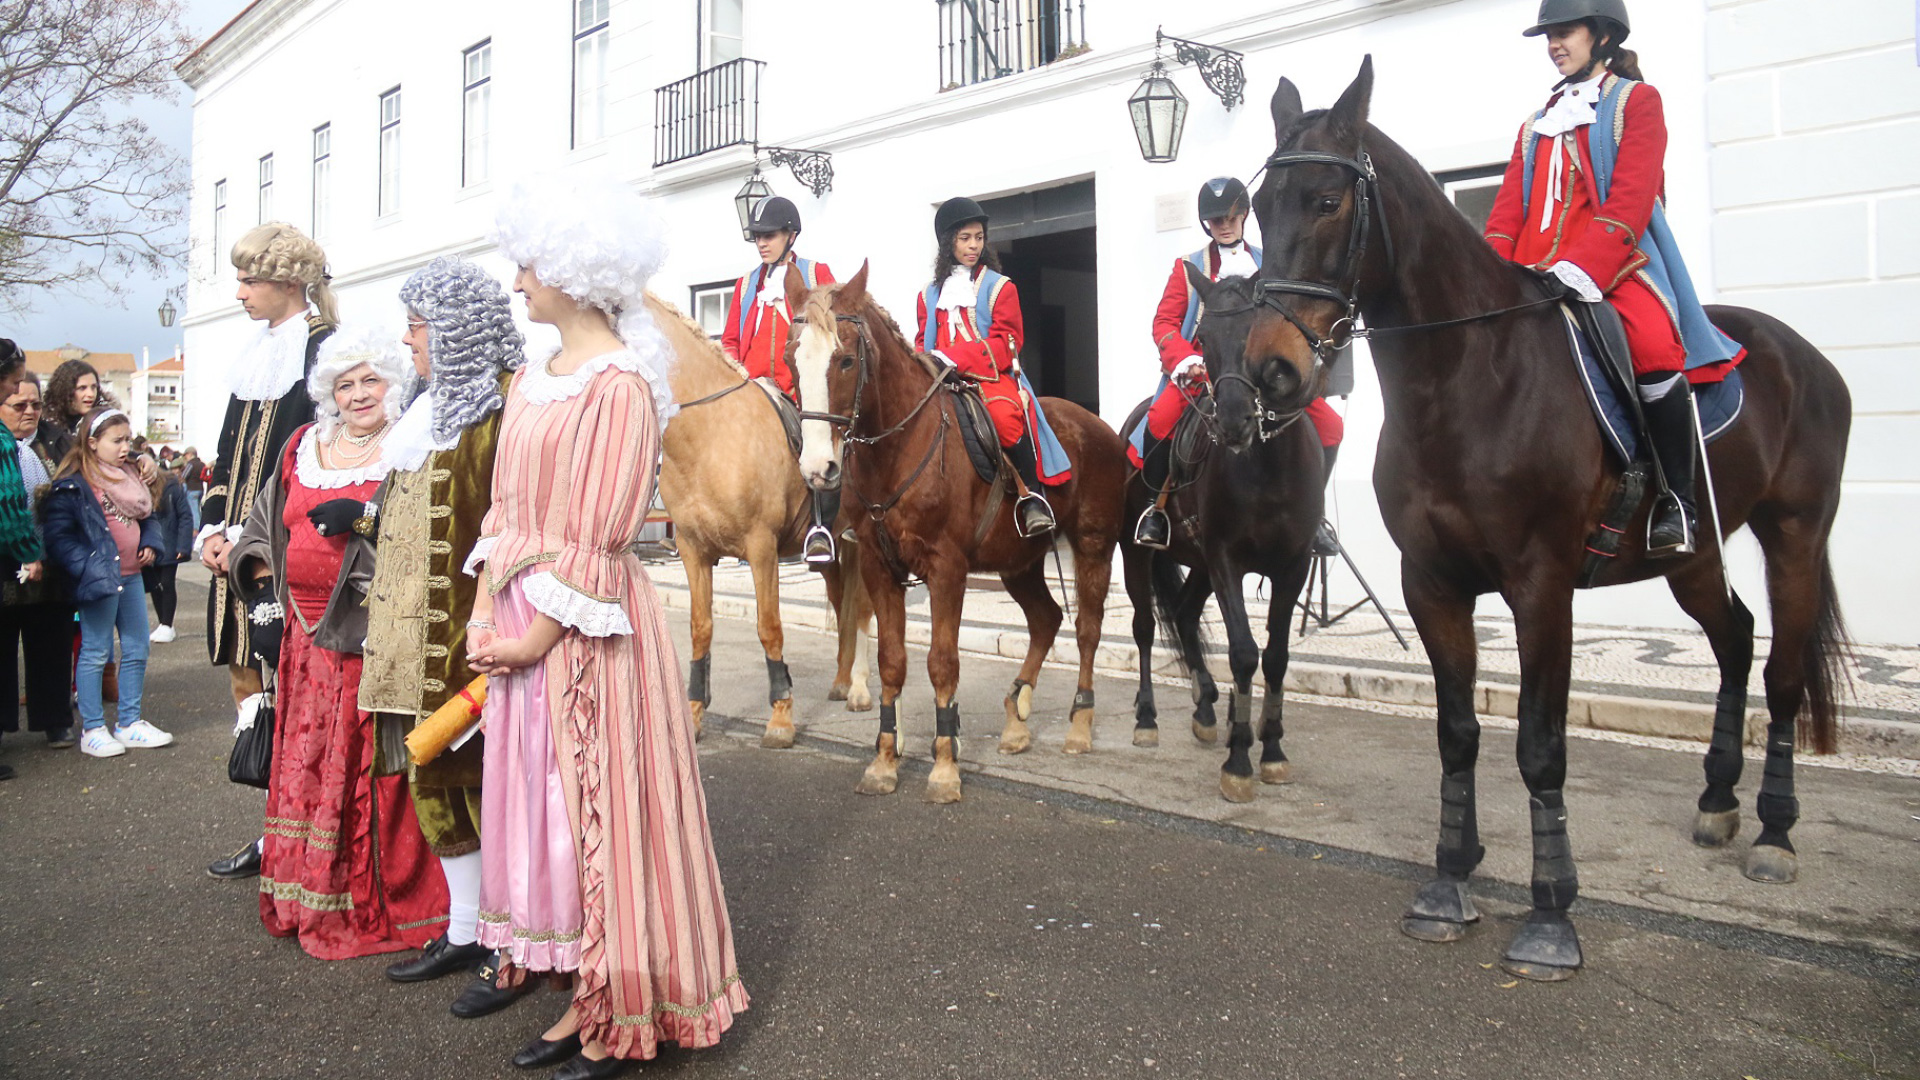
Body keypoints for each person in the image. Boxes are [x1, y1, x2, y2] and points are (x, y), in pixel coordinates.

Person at [474, 170, 747, 1078]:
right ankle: (578, 992)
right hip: (522, 615)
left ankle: (621, 1009)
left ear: (571, 269)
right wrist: (485, 606)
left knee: (605, 814)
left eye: (527, 267)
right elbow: (504, 507)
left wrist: (532, 636)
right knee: (548, 815)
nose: (517, 284)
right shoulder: (533, 376)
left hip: (584, 632)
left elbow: (602, 531)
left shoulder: (621, 386)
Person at [1483, 0, 1743, 556]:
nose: (1554, 44)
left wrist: (1583, 268)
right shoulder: (1534, 126)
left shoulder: (1636, 102)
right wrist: (1491, 272)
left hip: (1614, 265)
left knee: (1652, 347)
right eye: (1548, 35)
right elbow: (1507, 212)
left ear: (1601, 36)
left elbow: (1631, 199)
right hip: (1531, 271)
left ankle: (1678, 499)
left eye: (1565, 32)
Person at [227, 327, 446, 958]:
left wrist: (365, 521)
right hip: (304, 643)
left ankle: (364, 899)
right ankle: (304, 891)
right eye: (345, 384)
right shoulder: (302, 445)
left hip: (375, 641)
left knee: (369, 769)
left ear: (393, 383)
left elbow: (428, 533)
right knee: (307, 765)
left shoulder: (411, 448)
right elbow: (264, 525)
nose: (358, 395)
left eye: (370, 380)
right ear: (328, 391)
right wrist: (266, 594)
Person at [361, 257, 533, 1019]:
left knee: (491, 792)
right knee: (435, 789)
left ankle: (511, 943)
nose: (409, 341)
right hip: (411, 644)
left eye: (419, 326)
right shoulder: (427, 413)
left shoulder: (504, 414)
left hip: (471, 641)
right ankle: (465, 928)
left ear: (457, 331)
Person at [201, 221, 338, 881]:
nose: (239, 292)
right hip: (234, 550)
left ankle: (308, 828)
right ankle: (272, 828)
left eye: (249, 280)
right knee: (246, 681)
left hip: (289, 552)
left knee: (298, 691)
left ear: (288, 282)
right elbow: (228, 451)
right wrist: (211, 529)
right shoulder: (256, 351)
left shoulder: (327, 350)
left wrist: (257, 539)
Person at [1131, 177, 1347, 550]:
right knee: (1159, 420)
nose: (1225, 225)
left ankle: (1313, 514)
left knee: (1331, 426)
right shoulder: (1187, 268)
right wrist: (1186, 360)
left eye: (1231, 216)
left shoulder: (1273, 263)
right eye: (1216, 220)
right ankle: (1156, 510)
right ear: (1207, 225)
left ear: (1245, 214)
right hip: (1207, 372)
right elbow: (1164, 324)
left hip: (1265, 374)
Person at [914, 196, 1056, 536]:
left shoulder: (1000, 287)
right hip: (940, 379)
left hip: (988, 378)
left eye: (979, 237)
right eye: (965, 238)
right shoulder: (927, 294)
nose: (974, 245)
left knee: (1006, 421)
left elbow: (1008, 343)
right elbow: (922, 340)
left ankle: (1032, 496)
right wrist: (924, 361)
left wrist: (956, 357)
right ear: (948, 242)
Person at [40, 407, 170, 760]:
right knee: (96, 650)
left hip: (129, 578)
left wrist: (150, 543)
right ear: (93, 443)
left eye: (128, 438)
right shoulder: (75, 483)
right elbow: (59, 536)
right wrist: (85, 567)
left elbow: (149, 518)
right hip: (99, 580)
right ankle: (93, 728)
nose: (125, 446)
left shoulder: (131, 475)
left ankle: (129, 722)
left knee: (138, 647)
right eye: (117, 440)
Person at [720, 195, 843, 565]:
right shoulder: (745, 286)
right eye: (757, 236)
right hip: (752, 391)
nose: (762, 243)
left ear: (790, 235)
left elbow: (832, 331)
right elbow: (729, 341)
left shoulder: (816, 274)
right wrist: (733, 371)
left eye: (769, 235)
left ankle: (821, 527)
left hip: (799, 392)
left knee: (821, 447)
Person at [0, 369, 77, 762]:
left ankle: (54, 719)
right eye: (18, 404)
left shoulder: (60, 441)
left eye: (35, 404)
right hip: (5, 564)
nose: (29, 411)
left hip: (52, 561)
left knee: (51, 641)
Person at [139, 449, 192, 642]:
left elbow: (185, 516)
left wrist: (183, 546)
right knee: (154, 585)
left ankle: (167, 624)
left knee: (167, 583)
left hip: (170, 542)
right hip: (149, 545)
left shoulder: (171, 486)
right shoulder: (137, 487)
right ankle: (163, 623)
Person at [42, 359, 115, 460]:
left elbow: (117, 446)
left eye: (93, 387)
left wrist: (139, 457)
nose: (90, 394)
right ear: (65, 390)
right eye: (82, 388)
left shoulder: (100, 422)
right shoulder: (45, 426)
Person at [178, 446, 205, 533]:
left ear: (190, 454)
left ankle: (196, 529)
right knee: (198, 509)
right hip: (200, 489)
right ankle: (201, 526)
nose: (185, 457)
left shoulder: (190, 464)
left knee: (194, 510)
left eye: (186, 455)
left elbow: (184, 476)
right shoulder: (202, 464)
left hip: (192, 489)